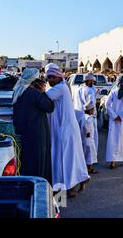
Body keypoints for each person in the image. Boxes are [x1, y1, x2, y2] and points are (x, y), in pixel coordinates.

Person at [45, 63, 90, 198]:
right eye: (48, 78)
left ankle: (68, 188)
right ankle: (80, 179)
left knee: (66, 159)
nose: (49, 81)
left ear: (58, 76)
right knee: (70, 157)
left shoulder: (61, 88)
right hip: (63, 129)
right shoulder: (60, 87)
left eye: (51, 77)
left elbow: (43, 98)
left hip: (65, 131)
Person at [12, 68, 54, 183]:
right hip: (37, 135)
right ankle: (39, 188)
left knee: (26, 162)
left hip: (23, 134)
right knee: (38, 164)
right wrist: (43, 91)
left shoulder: (18, 92)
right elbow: (49, 107)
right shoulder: (34, 94)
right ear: (33, 81)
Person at [105, 76, 123, 169]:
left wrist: (115, 116)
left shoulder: (113, 92)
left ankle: (113, 161)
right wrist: (121, 116)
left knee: (113, 140)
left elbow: (107, 105)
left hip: (115, 121)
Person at [73, 73, 98, 164]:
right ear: (89, 80)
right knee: (91, 140)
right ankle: (90, 162)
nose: (93, 82)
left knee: (81, 139)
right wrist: (93, 114)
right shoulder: (90, 90)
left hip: (79, 116)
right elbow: (91, 103)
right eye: (92, 80)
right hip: (89, 117)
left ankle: (81, 158)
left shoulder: (78, 88)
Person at [81, 101, 99, 175]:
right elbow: (86, 126)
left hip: (85, 138)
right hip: (89, 138)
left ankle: (87, 168)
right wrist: (88, 132)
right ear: (90, 110)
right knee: (90, 154)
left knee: (86, 153)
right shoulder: (89, 118)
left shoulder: (83, 116)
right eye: (93, 109)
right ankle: (90, 168)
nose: (93, 111)